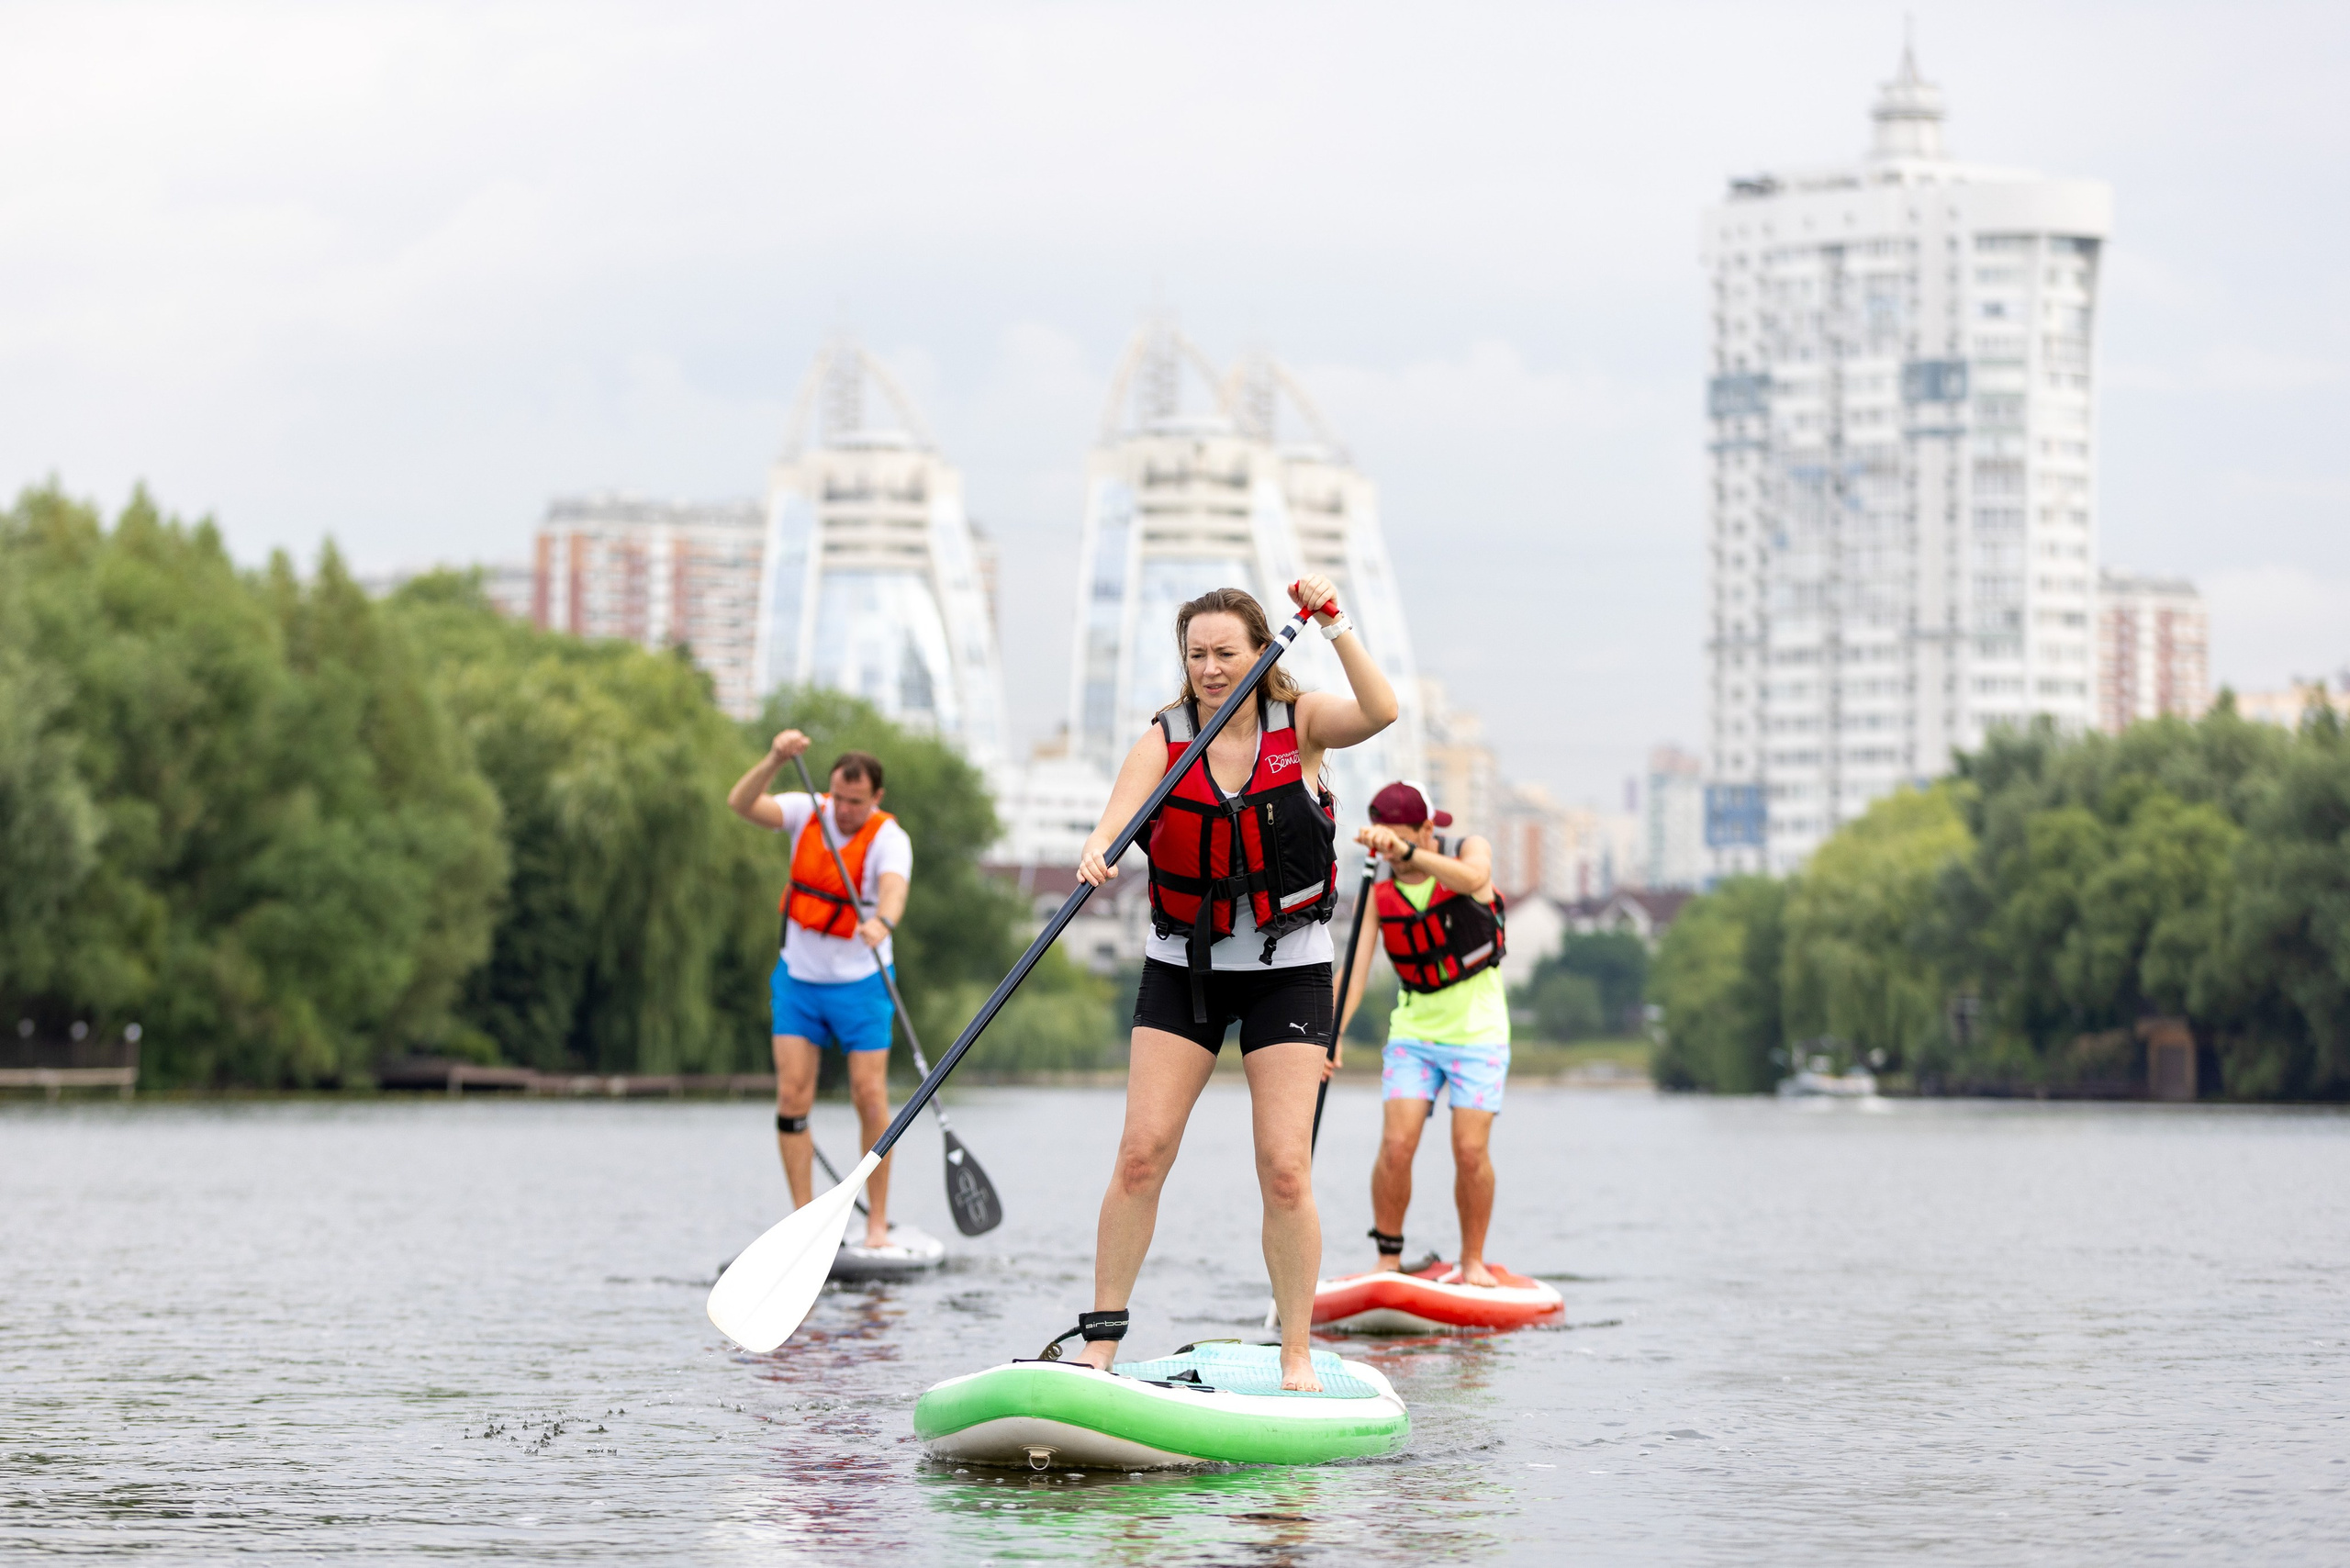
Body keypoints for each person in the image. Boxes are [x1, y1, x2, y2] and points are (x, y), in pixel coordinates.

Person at [1069, 577, 1397, 1392]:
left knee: (1285, 1169)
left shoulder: (1302, 722)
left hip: (1290, 972)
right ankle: (1100, 1346)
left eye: (1225, 653)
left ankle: (1295, 1353)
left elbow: (1382, 710)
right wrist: (1098, 849)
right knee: (1141, 1157)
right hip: (1184, 968)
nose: (1211, 668)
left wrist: (1336, 624)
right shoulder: (1166, 739)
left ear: (1260, 653)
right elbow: (1113, 823)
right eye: (1196, 655)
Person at [726, 736, 911, 1249]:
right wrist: (775, 760)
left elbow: (894, 889)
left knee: (869, 1096)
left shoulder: (889, 838)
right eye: (838, 798)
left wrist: (883, 921)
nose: (844, 810)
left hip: (862, 983)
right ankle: (804, 1223)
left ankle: (877, 1224)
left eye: (856, 802)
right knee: (792, 1096)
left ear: (876, 798)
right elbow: (740, 803)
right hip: (799, 982)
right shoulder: (807, 809)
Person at [1334, 780, 1509, 1288]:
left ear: (1426, 830)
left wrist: (1408, 852)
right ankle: (1388, 1259)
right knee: (1396, 1145)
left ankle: (1473, 1262)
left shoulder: (1468, 851)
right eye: (1384, 842)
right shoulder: (1378, 890)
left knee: (1469, 1151)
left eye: (1401, 840)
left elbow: (1476, 877)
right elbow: (1355, 972)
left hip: (1479, 1033)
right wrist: (1330, 1035)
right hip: (1413, 1034)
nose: (1391, 853)